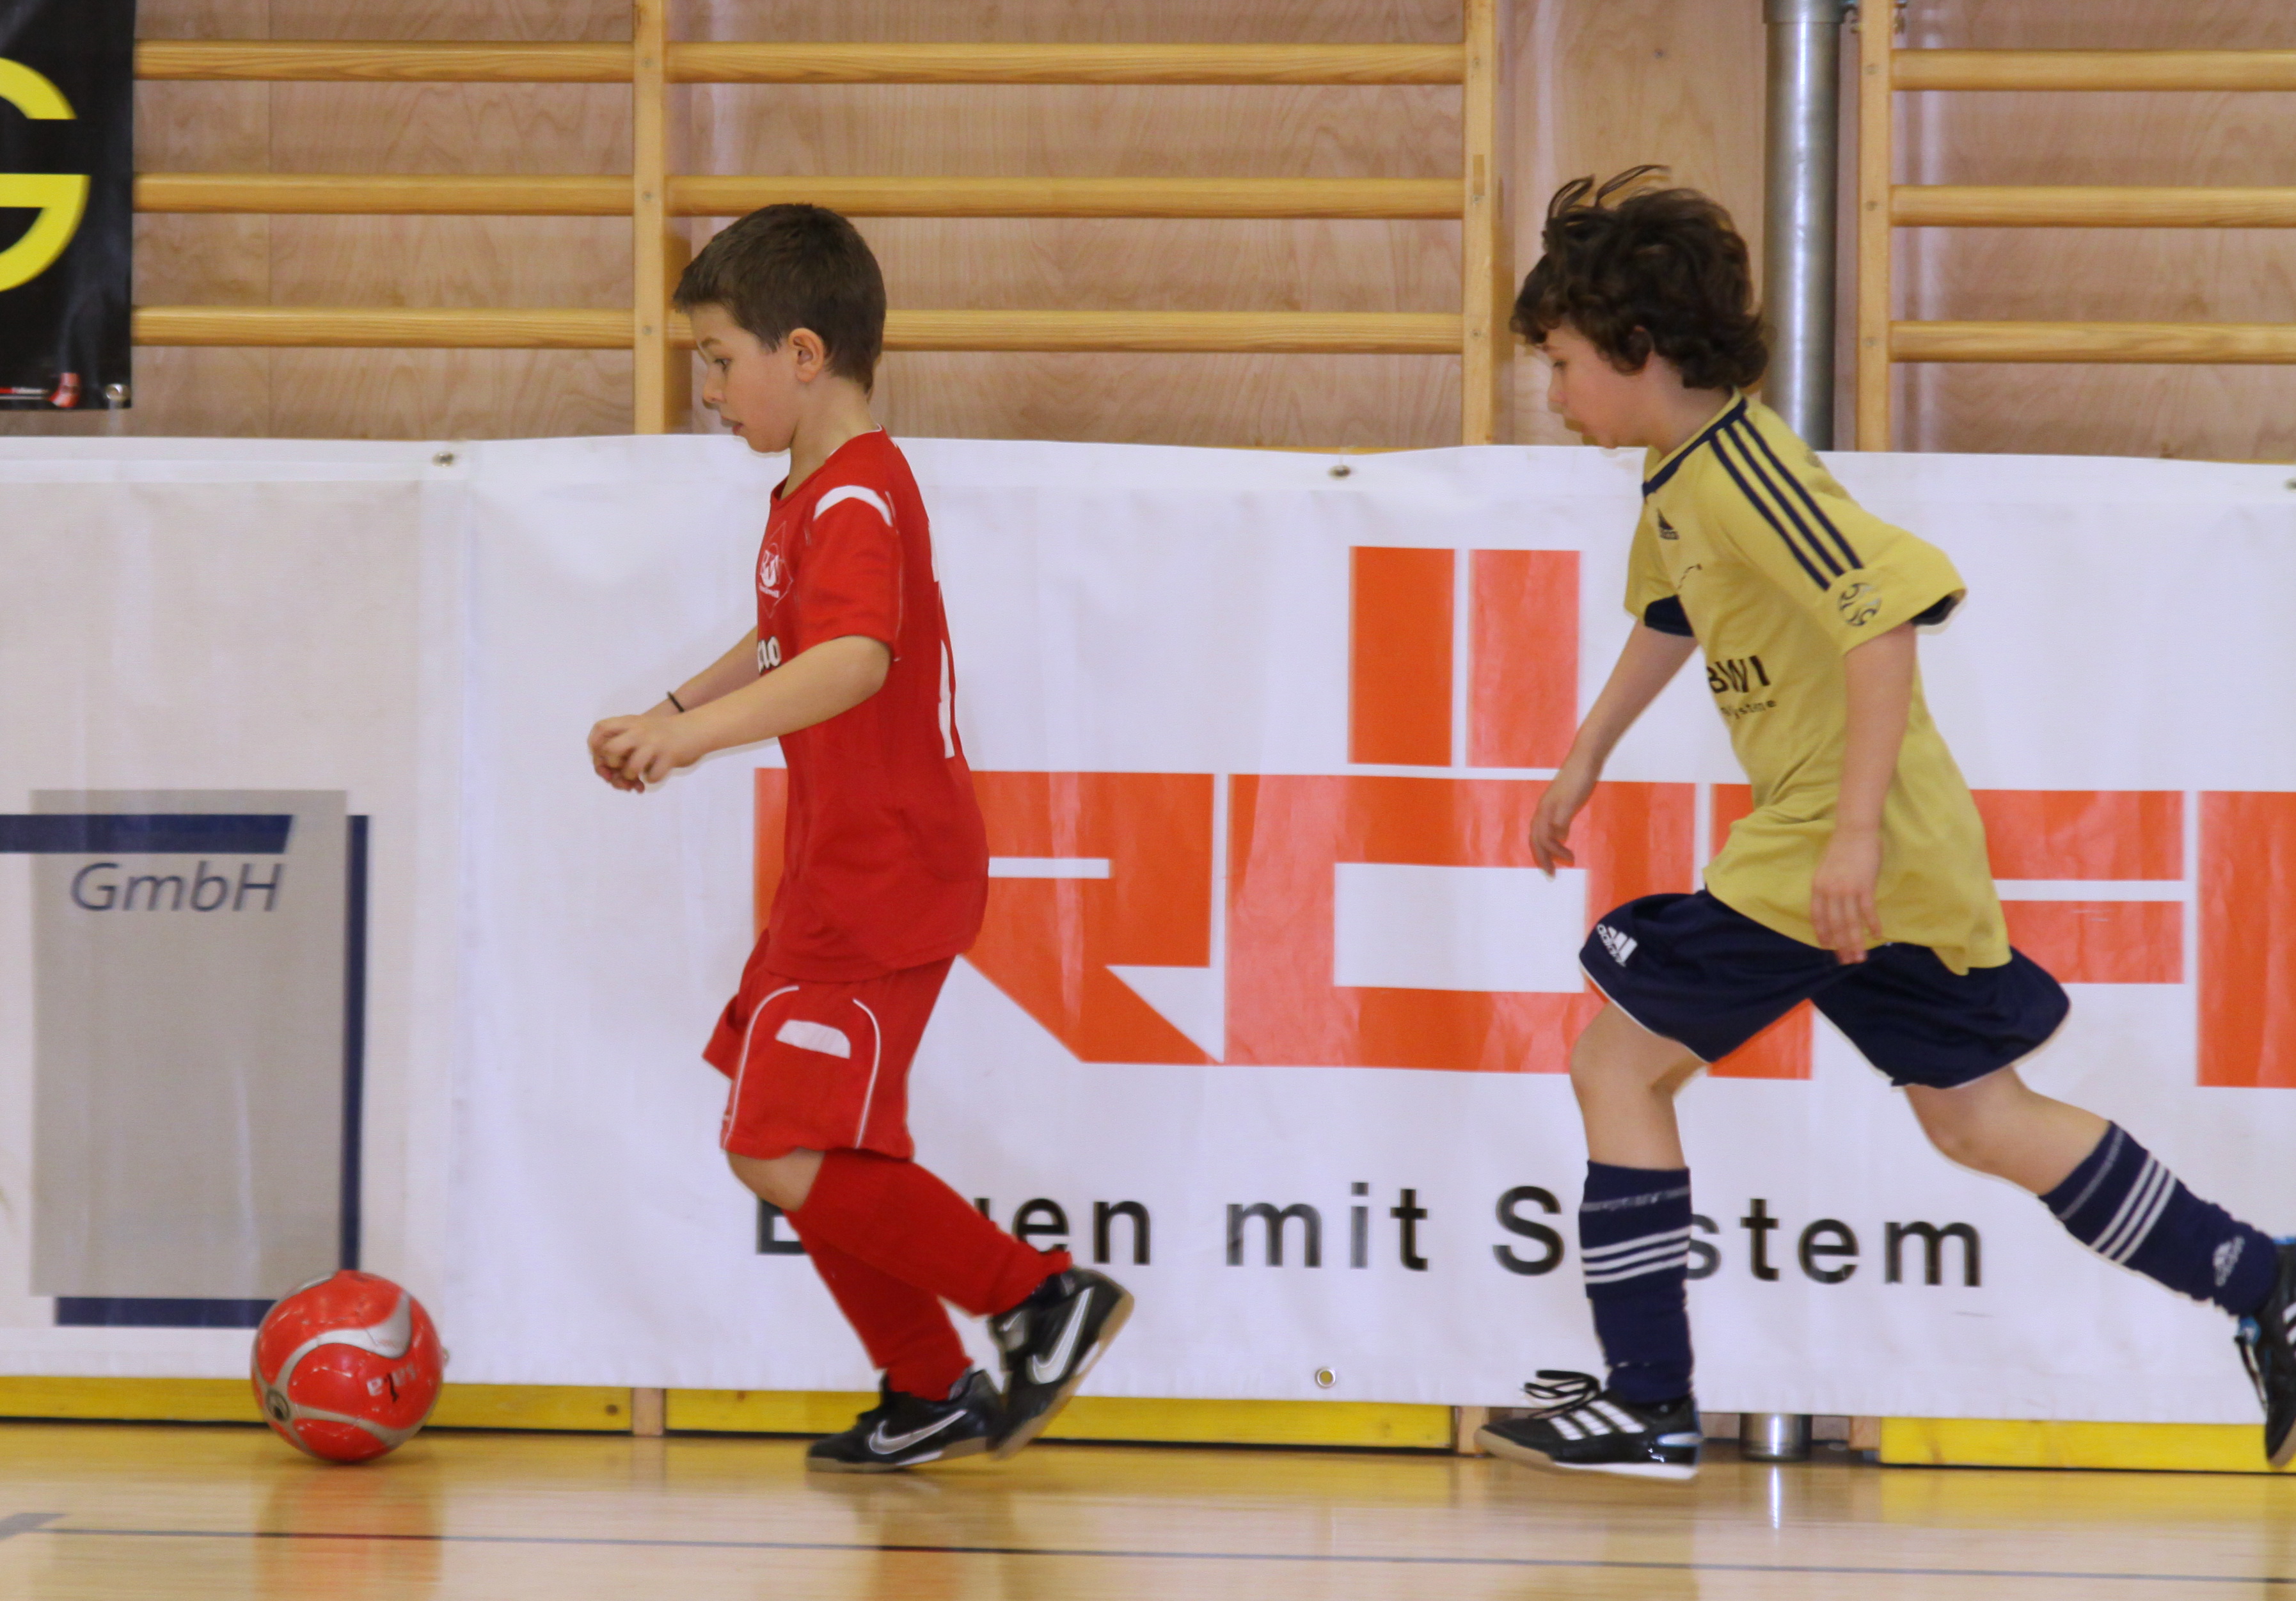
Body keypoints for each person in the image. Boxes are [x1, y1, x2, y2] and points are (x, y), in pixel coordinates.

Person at [1477, 170, 2295, 1481]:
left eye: (1563, 363)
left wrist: (1850, 832)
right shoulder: (1677, 475)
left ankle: (1647, 1402)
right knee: (1977, 1119)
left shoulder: (1748, 473)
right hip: (1883, 848)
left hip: (1833, 839)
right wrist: (1585, 756)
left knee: (1614, 1069)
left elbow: (1884, 612)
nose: (1555, 392)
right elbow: (1672, 613)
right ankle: (2262, 1280)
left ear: (1636, 349)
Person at [587, 204, 1130, 1472]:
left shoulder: (858, 497)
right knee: (814, 1143)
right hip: (847, 869)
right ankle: (928, 1385)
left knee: (773, 1146)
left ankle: (1039, 1297)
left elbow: (850, 659)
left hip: (881, 873)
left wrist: (690, 738)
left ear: (804, 353)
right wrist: (672, 707)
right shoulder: (814, 492)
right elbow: (788, 632)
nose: (706, 389)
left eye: (719, 359)